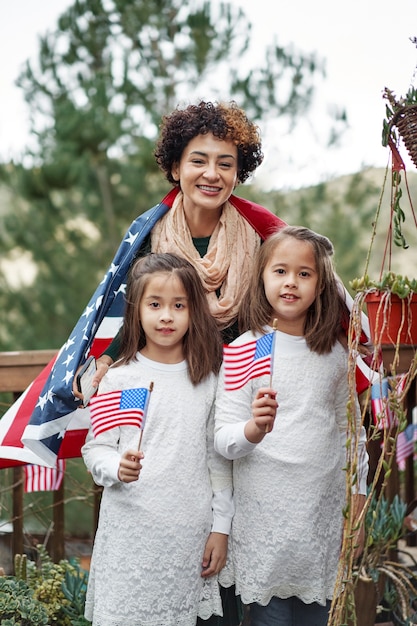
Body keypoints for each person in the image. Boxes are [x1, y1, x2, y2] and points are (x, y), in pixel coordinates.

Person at [214, 226, 369, 626]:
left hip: (321, 513)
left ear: (320, 285)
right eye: (280, 271)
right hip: (265, 516)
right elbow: (223, 439)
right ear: (262, 276)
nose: (291, 282)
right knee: (270, 616)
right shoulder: (244, 349)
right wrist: (253, 429)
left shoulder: (335, 355)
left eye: (304, 274)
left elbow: (350, 432)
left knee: (318, 613)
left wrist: (358, 504)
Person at [80, 99, 286, 391]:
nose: (212, 174)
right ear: (176, 168)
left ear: (237, 174)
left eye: (225, 164)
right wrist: (104, 362)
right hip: (175, 384)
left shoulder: (263, 237)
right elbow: (137, 319)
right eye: (198, 161)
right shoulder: (148, 236)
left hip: (245, 387)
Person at [81, 252, 234, 626]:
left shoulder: (209, 379)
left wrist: (221, 527)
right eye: (155, 304)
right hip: (131, 531)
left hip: (187, 531)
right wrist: (117, 466)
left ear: (193, 310)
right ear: (136, 310)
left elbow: (219, 461)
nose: (166, 315)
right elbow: (96, 448)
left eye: (178, 305)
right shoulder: (119, 378)